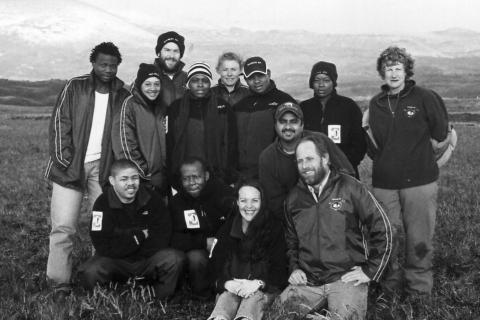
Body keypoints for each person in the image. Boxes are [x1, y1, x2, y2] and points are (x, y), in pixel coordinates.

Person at [44, 42, 130, 301]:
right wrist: (65, 160)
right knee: (63, 226)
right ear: (93, 63)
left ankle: (98, 276)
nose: (108, 69)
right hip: (70, 168)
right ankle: (59, 282)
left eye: (113, 65)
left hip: (102, 170)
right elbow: (60, 122)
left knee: (102, 225)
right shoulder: (75, 86)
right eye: (103, 64)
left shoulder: (122, 93)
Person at [279, 136, 392, 320]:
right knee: (275, 315)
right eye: (299, 161)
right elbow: (291, 241)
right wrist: (294, 267)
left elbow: (383, 227)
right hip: (308, 280)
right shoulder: (293, 199)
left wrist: (371, 270)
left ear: (325, 159)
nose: (304, 165)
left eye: (309, 158)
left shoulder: (351, 187)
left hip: (345, 278)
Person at [367, 46, 449, 297]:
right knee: (386, 236)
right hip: (385, 182)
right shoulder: (376, 103)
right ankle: (389, 287)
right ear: (382, 72)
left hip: (420, 182)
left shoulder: (425, 97)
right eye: (388, 68)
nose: (393, 73)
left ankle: (419, 291)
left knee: (419, 237)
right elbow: (372, 143)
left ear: (406, 71)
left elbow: (441, 132)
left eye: (398, 68)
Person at [78, 160, 184, 299]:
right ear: (112, 180)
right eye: (124, 179)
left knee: (175, 259)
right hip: (115, 260)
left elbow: (162, 235)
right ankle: (113, 298)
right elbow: (102, 243)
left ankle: (157, 298)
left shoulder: (152, 198)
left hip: (147, 259)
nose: (131, 183)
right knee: (90, 271)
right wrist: (138, 236)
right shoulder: (102, 203)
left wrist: (123, 238)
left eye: (134, 178)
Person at [259, 102, 354, 220]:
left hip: (332, 211)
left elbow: (347, 174)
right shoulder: (268, 157)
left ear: (302, 125)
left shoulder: (320, 141)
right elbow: (274, 202)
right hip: (294, 219)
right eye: (282, 122)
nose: (288, 127)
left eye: (293, 122)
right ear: (275, 125)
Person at [209, 181, 288, 320]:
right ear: (237, 202)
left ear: (262, 202)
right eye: (244, 200)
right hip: (233, 288)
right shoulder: (227, 228)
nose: (249, 206)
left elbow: (281, 271)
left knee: (253, 301)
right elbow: (214, 266)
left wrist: (258, 284)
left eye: (255, 200)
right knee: (226, 298)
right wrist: (227, 283)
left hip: (261, 290)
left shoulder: (274, 228)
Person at [169, 157, 235, 298]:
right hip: (201, 250)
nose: (192, 183)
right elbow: (173, 237)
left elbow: (237, 224)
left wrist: (220, 242)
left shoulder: (224, 193)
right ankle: (203, 295)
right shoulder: (176, 202)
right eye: (186, 179)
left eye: (196, 177)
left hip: (226, 247)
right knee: (195, 258)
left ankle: (227, 289)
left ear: (206, 176)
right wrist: (203, 242)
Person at [167, 62, 237, 189]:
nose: (200, 84)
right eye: (195, 80)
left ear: (210, 83)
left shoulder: (223, 107)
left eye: (204, 80)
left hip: (216, 174)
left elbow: (231, 144)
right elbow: (170, 142)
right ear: (188, 83)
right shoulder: (176, 108)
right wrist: (172, 175)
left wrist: (229, 175)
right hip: (185, 174)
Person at [300, 61, 366, 177]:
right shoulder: (304, 108)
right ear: (311, 83)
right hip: (312, 173)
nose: (321, 84)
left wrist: (344, 165)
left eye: (326, 80)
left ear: (333, 82)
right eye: (316, 80)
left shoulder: (349, 106)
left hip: (344, 173)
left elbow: (360, 143)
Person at [234, 56, 295, 180]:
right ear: (245, 79)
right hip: (242, 175)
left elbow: (292, 140)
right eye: (251, 77)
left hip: (273, 174)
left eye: (260, 76)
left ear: (268, 74)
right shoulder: (239, 106)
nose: (256, 81)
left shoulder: (284, 101)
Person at [112, 63, 167, 195]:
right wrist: (144, 173)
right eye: (148, 84)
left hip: (161, 179)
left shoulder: (162, 106)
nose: (153, 88)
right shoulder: (129, 105)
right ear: (140, 84)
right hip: (140, 180)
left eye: (156, 84)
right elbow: (125, 146)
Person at [153, 31, 187, 107]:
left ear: (180, 55)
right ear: (159, 52)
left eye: (176, 51)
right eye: (167, 50)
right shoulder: (144, 78)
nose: (171, 56)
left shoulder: (188, 80)